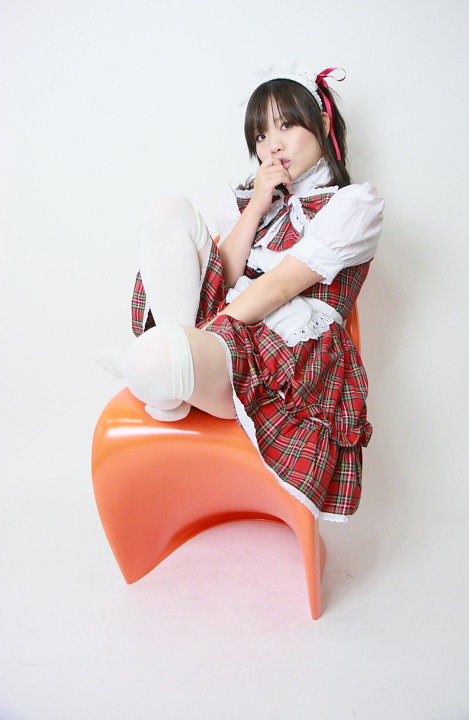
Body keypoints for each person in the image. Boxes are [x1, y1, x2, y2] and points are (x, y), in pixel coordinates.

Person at [98, 66, 384, 522]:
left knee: (154, 357)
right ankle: (169, 366)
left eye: (286, 125)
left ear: (323, 123)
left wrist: (206, 334)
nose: (273, 145)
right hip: (227, 326)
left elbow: (280, 286)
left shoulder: (353, 205)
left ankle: (161, 367)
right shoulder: (252, 200)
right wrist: (256, 205)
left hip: (280, 353)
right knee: (169, 209)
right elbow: (223, 276)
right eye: (261, 135)